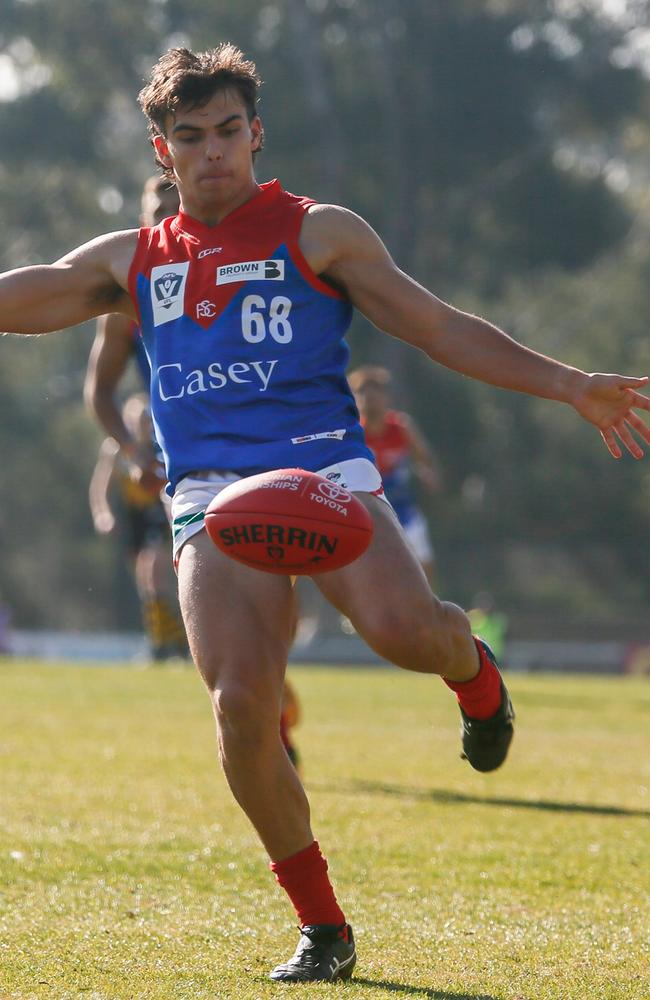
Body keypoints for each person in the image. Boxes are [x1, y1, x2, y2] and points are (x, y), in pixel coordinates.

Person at [2, 44, 650, 984]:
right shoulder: (131, 260)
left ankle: (472, 670)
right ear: (161, 150)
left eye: (230, 132)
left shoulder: (319, 234)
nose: (214, 152)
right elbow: (24, 297)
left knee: (403, 632)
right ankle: (322, 926)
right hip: (210, 501)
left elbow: (437, 325)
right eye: (192, 137)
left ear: (257, 133)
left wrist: (572, 384)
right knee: (238, 715)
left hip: (325, 474)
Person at [84, 177, 186, 660]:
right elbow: (99, 392)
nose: (167, 215)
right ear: (143, 218)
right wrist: (134, 449)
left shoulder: (236, 265)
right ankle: (168, 643)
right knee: (172, 555)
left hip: (250, 442)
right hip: (173, 449)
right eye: (156, 208)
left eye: (176, 206)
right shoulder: (128, 297)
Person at [89, 393, 187, 661]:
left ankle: (176, 642)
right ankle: (161, 640)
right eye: (136, 419)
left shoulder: (159, 445)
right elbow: (101, 487)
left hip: (159, 510)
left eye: (146, 419)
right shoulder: (116, 448)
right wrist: (103, 514)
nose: (142, 424)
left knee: (153, 569)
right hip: (135, 517)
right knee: (145, 581)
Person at [350, 364, 440, 583]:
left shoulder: (401, 427)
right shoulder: (354, 432)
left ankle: (428, 606)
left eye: (375, 392)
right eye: (362, 393)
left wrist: (428, 473)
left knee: (423, 560)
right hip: (367, 508)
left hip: (401, 506)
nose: (369, 399)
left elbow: (424, 458)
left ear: (386, 397)